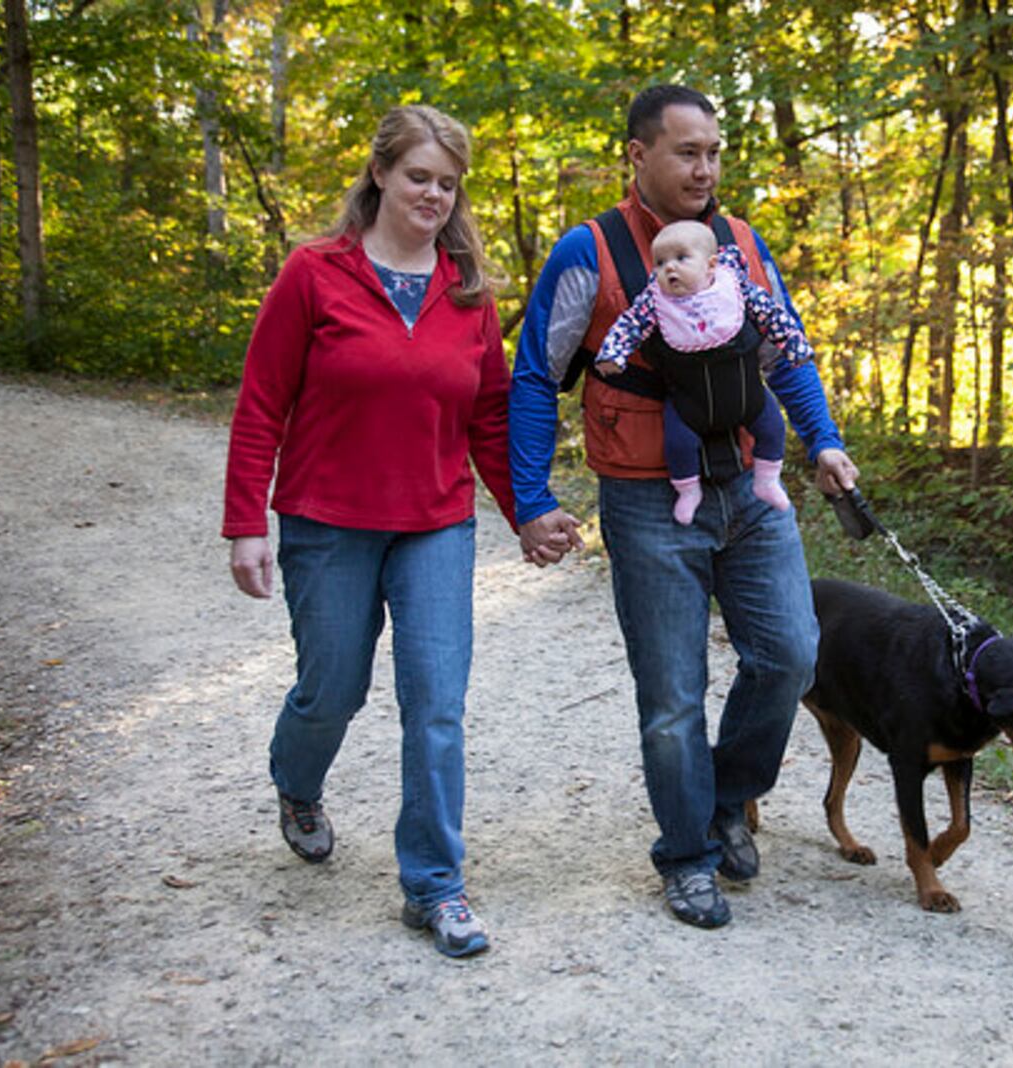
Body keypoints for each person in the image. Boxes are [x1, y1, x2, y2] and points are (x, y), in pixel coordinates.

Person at [509, 84, 859, 929]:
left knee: (791, 653)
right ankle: (687, 856)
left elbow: (786, 353)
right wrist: (530, 497)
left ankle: (728, 798)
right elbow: (531, 377)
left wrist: (823, 441)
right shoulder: (585, 254)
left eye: (713, 153)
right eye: (686, 152)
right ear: (638, 154)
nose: (705, 169)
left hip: (752, 486)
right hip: (644, 500)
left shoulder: (739, 243)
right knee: (671, 695)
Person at [221, 104, 556, 958]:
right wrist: (245, 524)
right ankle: (298, 784)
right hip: (326, 520)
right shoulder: (315, 273)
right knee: (332, 688)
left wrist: (526, 514)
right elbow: (262, 402)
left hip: (435, 525)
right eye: (419, 177)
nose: (434, 195)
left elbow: (488, 417)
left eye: (448, 183)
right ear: (380, 175)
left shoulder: (468, 291)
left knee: (437, 705)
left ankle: (436, 886)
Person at [595, 220, 813, 524]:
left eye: (682, 258)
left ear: (711, 265)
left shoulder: (736, 288)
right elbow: (628, 326)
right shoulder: (655, 301)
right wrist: (613, 354)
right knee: (678, 444)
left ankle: (767, 480)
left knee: (773, 427)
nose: (669, 268)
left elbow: (773, 316)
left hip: (747, 396)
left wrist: (795, 347)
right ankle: (688, 490)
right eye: (660, 262)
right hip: (688, 405)